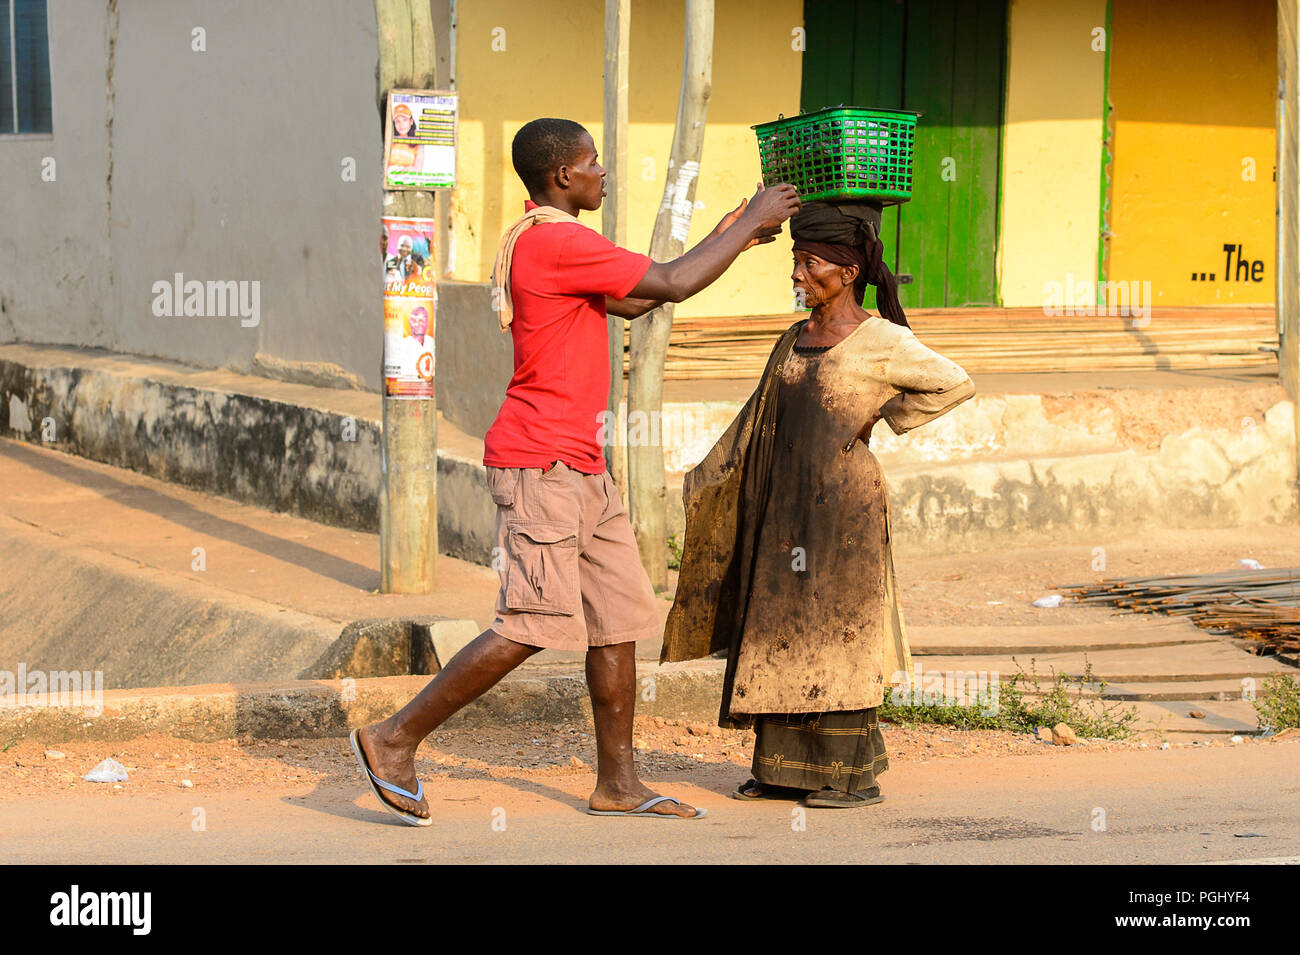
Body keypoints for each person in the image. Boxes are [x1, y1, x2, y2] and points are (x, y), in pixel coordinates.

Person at [351, 116, 801, 825]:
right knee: (532, 621)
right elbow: (673, 284)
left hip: (580, 463)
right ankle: (392, 737)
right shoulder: (559, 240)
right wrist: (745, 226)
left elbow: (637, 297)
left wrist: (732, 233)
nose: (603, 171)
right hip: (541, 461)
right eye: (594, 161)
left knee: (615, 619)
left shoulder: (548, 239)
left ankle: (617, 782)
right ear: (563, 175)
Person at [661, 200, 975, 809]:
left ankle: (846, 778)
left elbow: (955, 381)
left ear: (847, 272)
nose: (798, 275)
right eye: (796, 262)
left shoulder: (884, 340)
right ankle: (781, 771)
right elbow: (757, 418)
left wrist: (881, 417)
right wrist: (713, 479)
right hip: (783, 508)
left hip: (844, 513)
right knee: (777, 626)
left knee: (839, 633)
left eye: (809, 264)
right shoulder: (794, 338)